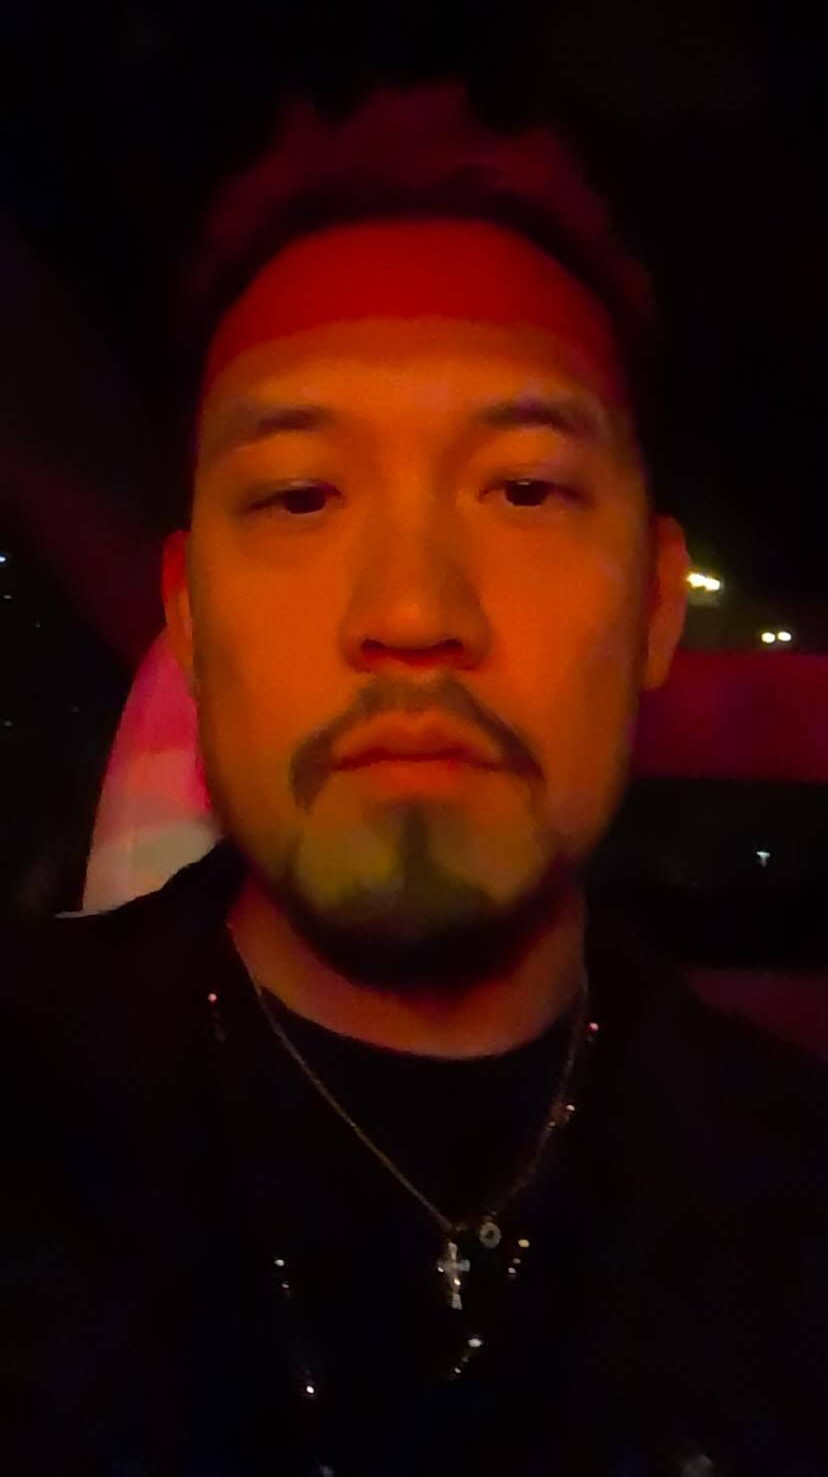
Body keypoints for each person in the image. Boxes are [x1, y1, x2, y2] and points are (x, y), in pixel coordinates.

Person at [1, 86, 825, 1477]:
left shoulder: (789, 1207)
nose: (412, 610)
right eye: (301, 496)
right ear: (188, 618)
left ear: (654, 609)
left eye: (524, 491)